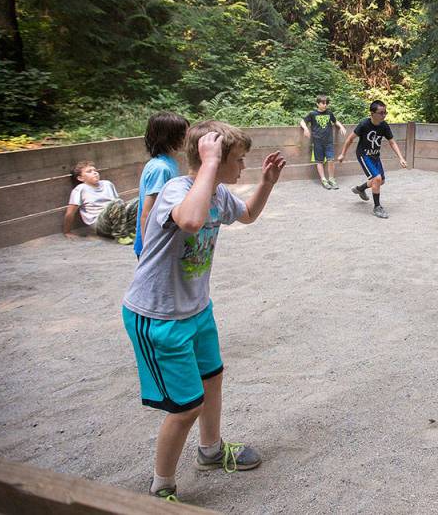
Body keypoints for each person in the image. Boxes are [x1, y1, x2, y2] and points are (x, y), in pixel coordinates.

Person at [122, 120, 285, 502]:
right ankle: (161, 486)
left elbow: (246, 215)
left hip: (196, 310)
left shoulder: (219, 194)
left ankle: (210, 452)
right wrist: (209, 164)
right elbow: (191, 221)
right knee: (185, 408)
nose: (243, 166)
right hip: (158, 316)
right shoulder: (176, 190)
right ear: (211, 158)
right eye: (239, 160)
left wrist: (266, 184)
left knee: (212, 380)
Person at [337, 100, 406, 219]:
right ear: (372, 113)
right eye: (381, 113)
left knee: (381, 181)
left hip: (375, 156)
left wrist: (401, 157)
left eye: (385, 112)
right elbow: (350, 139)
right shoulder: (364, 124)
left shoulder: (384, 125)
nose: (384, 115)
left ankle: (360, 189)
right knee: (377, 178)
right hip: (364, 155)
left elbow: (392, 142)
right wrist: (342, 154)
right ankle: (377, 207)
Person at [135, 112, 189, 257]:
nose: (188, 137)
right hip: (154, 246)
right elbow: (147, 213)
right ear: (170, 137)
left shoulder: (169, 163)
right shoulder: (160, 168)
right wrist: (149, 251)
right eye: (184, 133)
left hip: (163, 243)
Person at [63, 161, 138, 243]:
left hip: (115, 218)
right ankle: (121, 235)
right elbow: (70, 213)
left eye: (95, 170)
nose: (94, 173)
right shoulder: (80, 189)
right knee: (118, 202)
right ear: (80, 178)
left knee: (137, 201)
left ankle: (130, 229)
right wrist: (67, 231)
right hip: (99, 223)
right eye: (89, 171)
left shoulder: (107, 184)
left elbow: (120, 206)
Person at [300, 95, 346, 189]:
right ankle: (323, 180)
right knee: (319, 161)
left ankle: (331, 179)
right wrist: (305, 129)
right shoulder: (312, 114)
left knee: (331, 159)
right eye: (323, 103)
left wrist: (341, 126)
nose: (325, 105)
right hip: (317, 141)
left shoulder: (329, 113)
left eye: (326, 103)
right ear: (317, 104)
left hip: (329, 141)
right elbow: (302, 122)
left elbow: (335, 121)